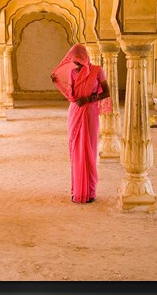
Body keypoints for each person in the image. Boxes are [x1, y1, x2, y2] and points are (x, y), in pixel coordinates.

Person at [51, 44, 111, 204]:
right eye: (74, 60)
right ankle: (77, 190)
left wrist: (89, 99)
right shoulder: (72, 73)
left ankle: (90, 191)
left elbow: (107, 92)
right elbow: (71, 95)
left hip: (90, 112)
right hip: (75, 113)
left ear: (84, 57)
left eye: (78, 59)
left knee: (89, 151)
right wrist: (57, 82)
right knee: (77, 150)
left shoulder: (97, 70)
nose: (76, 63)